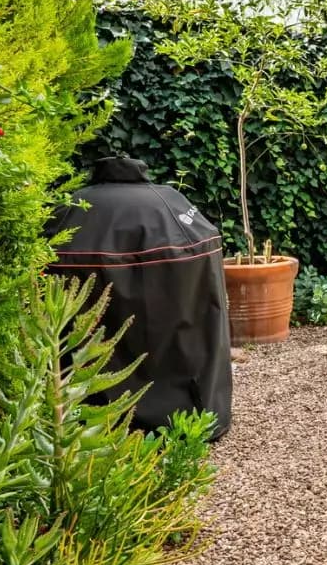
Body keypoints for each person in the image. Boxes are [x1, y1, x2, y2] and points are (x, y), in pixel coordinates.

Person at [47, 156, 232, 437]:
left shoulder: (72, 208)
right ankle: (188, 414)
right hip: (187, 410)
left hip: (82, 418)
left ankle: (93, 420)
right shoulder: (169, 203)